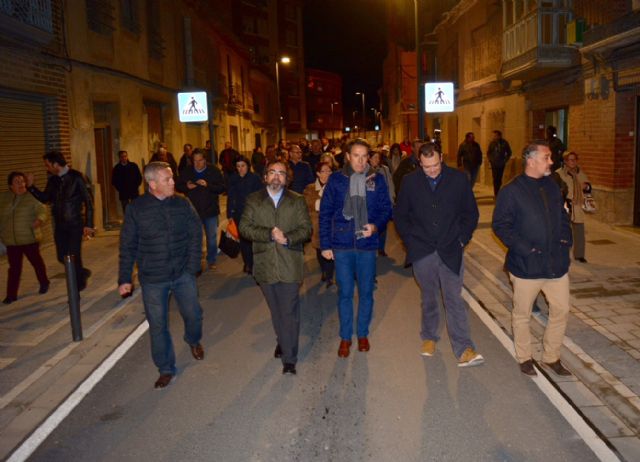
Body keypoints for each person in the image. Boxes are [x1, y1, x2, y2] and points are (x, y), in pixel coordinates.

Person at [394, 142, 484, 367]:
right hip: (422, 250)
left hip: (451, 248)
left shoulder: (458, 179)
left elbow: (471, 214)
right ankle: (429, 337)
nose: (432, 170)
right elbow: (401, 215)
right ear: (419, 163)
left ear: (441, 158)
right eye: (426, 167)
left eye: (435, 165)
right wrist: (410, 242)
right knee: (429, 297)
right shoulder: (410, 182)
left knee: (453, 298)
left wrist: (462, 239)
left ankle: (464, 348)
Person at [118, 162, 205, 388]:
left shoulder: (182, 203)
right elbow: (127, 245)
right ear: (153, 184)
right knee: (157, 325)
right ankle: (165, 368)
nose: (173, 182)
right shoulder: (136, 209)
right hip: (153, 278)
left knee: (193, 314)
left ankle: (193, 339)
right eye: (168, 179)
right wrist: (125, 278)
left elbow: (196, 233)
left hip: (182, 273)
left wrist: (192, 266)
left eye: (172, 178)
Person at [492, 141, 573, 377]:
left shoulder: (552, 185)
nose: (551, 162)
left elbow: (562, 216)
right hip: (526, 265)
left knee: (561, 310)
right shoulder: (511, 191)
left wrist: (565, 240)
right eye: (547, 157)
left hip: (555, 263)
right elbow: (501, 225)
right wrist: (526, 249)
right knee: (522, 314)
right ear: (531, 160)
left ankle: (551, 357)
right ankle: (525, 357)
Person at [319, 138, 392, 358]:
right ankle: (345, 337)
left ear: (368, 157)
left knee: (367, 292)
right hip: (341, 245)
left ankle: (362, 334)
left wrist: (375, 226)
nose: (361, 161)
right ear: (348, 157)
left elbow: (386, 209)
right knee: (345, 293)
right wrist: (325, 244)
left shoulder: (377, 179)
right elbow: (325, 214)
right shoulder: (336, 180)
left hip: (367, 245)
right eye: (356, 156)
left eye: (364, 156)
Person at [239, 160, 312, 375]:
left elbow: (306, 229)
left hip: (290, 264)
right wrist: (268, 234)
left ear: (287, 179)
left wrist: (287, 238)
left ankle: (290, 359)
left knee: (288, 311)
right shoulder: (254, 200)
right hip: (265, 265)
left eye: (281, 173)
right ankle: (283, 339)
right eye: (272, 172)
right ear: (265, 177)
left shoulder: (296, 200)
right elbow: (244, 227)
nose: (277, 176)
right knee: (276, 310)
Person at [27, 151, 94, 291]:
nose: (46, 168)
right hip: (60, 225)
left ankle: (77, 286)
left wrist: (88, 224)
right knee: (61, 256)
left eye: (47, 165)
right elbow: (45, 198)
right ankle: (81, 272)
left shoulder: (77, 177)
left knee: (73, 255)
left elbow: (88, 201)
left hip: (75, 224)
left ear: (56, 164)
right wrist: (31, 187)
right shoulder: (53, 180)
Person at [0, 172, 50, 304]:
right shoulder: (4, 198)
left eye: (22, 181)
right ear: (10, 185)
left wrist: (40, 219)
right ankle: (11, 295)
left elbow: (43, 210)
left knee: (36, 262)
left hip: (29, 238)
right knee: (14, 268)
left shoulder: (31, 196)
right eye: (17, 182)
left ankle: (44, 282)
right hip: (11, 240)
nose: (21, 184)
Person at [176, 149, 225, 270]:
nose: (197, 164)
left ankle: (211, 260)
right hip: (192, 211)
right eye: (195, 161)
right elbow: (178, 186)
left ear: (205, 160)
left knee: (211, 238)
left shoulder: (214, 171)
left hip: (210, 210)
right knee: (194, 238)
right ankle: (195, 262)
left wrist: (208, 185)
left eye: (200, 160)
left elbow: (222, 188)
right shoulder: (187, 171)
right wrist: (186, 186)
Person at [227, 156, 263, 274]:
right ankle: (247, 263)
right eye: (238, 166)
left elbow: (261, 195)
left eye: (243, 166)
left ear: (248, 166)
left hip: (253, 213)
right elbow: (230, 196)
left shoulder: (255, 178)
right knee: (243, 240)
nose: (241, 169)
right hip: (239, 213)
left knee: (253, 239)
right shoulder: (233, 178)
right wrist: (229, 214)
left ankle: (256, 262)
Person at [304, 162, 335, 287]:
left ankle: (329, 275)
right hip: (316, 224)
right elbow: (306, 206)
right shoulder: (310, 188)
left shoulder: (334, 186)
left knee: (331, 249)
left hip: (332, 224)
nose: (327, 173)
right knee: (319, 249)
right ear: (318, 173)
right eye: (324, 171)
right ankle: (324, 270)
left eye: (329, 171)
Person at [557, 151, 591, 263]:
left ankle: (579, 255)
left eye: (575, 159)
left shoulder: (580, 173)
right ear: (565, 161)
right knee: (564, 232)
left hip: (577, 206)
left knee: (579, 231)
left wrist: (586, 187)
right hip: (565, 206)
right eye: (570, 159)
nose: (573, 162)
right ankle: (562, 254)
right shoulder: (559, 174)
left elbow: (588, 188)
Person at [369, 150, 395, 257]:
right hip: (372, 205)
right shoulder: (366, 171)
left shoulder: (384, 169)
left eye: (378, 157)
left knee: (383, 226)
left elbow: (390, 183)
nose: (377, 160)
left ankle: (381, 248)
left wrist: (392, 198)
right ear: (369, 159)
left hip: (383, 202)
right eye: (374, 157)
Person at [487, 130, 512, 197]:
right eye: (493, 135)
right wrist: (491, 160)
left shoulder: (504, 143)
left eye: (495, 135)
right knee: (495, 178)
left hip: (501, 163)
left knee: (499, 178)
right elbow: (489, 152)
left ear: (499, 136)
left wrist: (505, 160)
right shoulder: (492, 143)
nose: (494, 137)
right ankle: (496, 193)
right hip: (494, 163)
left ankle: (498, 191)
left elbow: (509, 152)